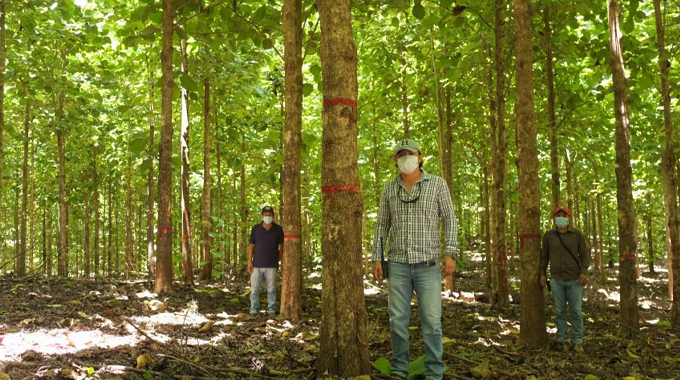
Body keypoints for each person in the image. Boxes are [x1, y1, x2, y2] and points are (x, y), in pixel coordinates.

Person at [372, 138, 457, 380]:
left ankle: (434, 372)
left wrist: (450, 252)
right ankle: (399, 370)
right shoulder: (390, 188)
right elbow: (382, 225)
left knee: (431, 321)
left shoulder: (437, 184)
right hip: (398, 264)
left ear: (420, 157)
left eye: (410, 153)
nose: (406, 157)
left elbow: (450, 218)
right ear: (395, 160)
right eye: (401, 154)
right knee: (398, 321)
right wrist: (376, 258)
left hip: (428, 265)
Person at [540, 205, 590, 352]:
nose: (561, 217)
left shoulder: (577, 235)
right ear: (555, 218)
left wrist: (584, 272)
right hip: (556, 280)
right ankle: (561, 339)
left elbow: (585, 256)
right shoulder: (549, 236)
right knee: (560, 312)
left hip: (575, 280)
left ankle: (577, 341)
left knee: (575, 311)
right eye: (558, 215)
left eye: (564, 215)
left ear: (569, 217)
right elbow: (544, 257)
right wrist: (542, 274)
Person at [248, 206, 284, 315]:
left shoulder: (278, 229)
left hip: (271, 265)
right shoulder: (256, 229)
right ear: (262, 216)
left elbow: (282, 246)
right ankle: (254, 309)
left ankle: (271, 308)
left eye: (269, 215)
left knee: (271, 289)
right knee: (254, 289)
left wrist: (277, 259)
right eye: (265, 215)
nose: (267, 217)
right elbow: (251, 246)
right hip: (256, 265)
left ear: (273, 216)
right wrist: (250, 261)